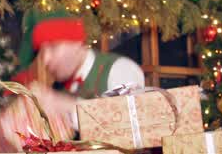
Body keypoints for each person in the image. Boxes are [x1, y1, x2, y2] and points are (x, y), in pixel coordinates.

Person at [11, 9, 145, 100]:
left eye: (53, 47)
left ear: (76, 43)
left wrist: (61, 105)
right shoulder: (60, 88)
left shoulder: (119, 69)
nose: (45, 59)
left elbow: (126, 121)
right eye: (42, 51)